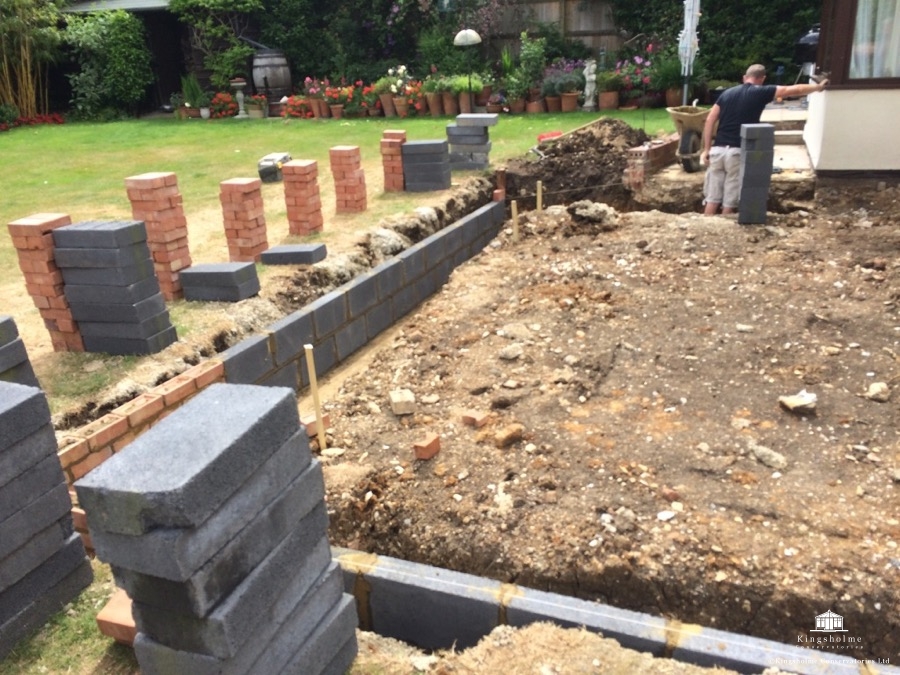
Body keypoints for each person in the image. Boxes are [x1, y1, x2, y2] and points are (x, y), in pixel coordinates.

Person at [700, 64, 828, 215]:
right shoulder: (762, 91)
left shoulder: (726, 94)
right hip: (737, 151)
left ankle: (707, 227)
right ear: (762, 79)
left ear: (744, 78)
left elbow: (709, 120)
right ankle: (725, 229)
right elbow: (794, 90)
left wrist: (707, 149)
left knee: (712, 196)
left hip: (717, 150)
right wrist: (818, 87)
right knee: (730, 194)